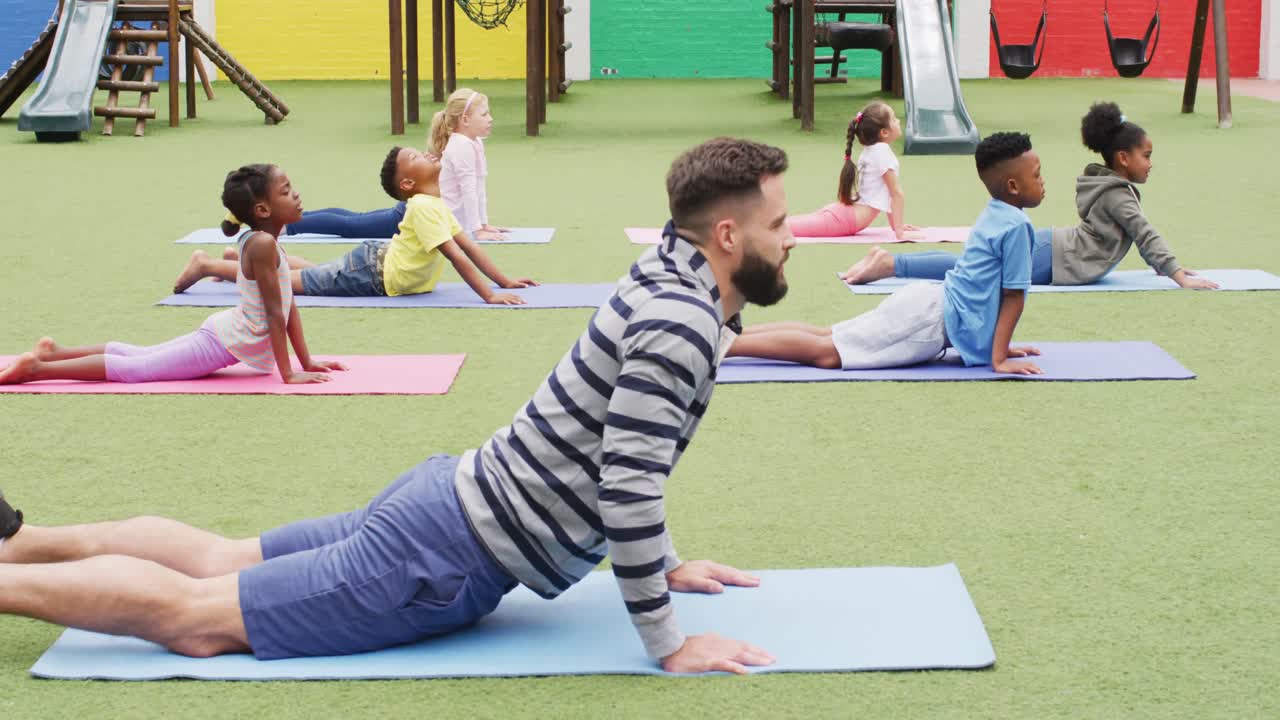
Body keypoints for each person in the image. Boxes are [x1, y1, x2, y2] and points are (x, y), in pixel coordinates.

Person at [0, 137, 798, 674]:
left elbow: (609, 458)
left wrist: (668, 562)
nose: (792, 238)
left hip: (445, 500)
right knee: (198, 617)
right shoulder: (680, 323)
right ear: (726, 236)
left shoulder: (669, 271)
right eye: (780, 224)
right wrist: (668, 643)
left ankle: (23, 543)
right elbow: (627, 484)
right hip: (442, 557)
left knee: (220, 557)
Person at [730, 131, 1046, 375]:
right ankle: (723, 345)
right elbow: (1012, 296)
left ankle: (728, 335)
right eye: (1037, 175)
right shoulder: (1017, 226)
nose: (1043, 182)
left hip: (927, 305)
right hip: (929, 322)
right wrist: (1000, 357)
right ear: (1013, 186)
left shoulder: (996, 214)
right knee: (828, 352)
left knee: (830, 334)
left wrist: (998, 347)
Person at [0, 165, 343, 386]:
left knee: (139, 355)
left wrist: (306, 361)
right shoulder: (264, 244)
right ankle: (38, 369)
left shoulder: (268, 241)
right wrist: (289, 373)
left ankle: (54, 351)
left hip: (223, 333)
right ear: (263, 210)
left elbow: (287, 305)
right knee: (137, 369)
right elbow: (274, 313)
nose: (295, 194)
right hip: (220, 343)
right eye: (285, 191)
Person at [842, 102, 1218, 290]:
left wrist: (1164, 267)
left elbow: (1135, 234)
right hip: (1053, 258)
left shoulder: (1106, 186)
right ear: (1122, 158)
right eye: (1146, 156)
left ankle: (888, 262)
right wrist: (1177, 274)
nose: (1150, 164)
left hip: (1052, 247)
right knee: (967, 272)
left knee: (968, 262)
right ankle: (891, 266)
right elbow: (1143, 232)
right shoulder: (1117, 195)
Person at [175, 147, 536, 306]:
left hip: (376, 266)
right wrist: (489, 295)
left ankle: (233, 262)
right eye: (414, 157)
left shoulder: (434, 204)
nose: (425, 154)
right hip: (375, 274)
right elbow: (456, 256)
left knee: (321, 273)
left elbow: (468, 245)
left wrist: (503, 281)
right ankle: (210, 265)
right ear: (407, 184)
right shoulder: (425, 208)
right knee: (296, 282)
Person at [786, 100, 921, 241]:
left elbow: (889, 194)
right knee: (780, 228)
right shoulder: (881, 151)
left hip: (843, 215)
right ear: (884, 132)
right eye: (894, 119)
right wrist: (899, 232)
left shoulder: (872, 150)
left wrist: (896, 227)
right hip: (844, 220)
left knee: (780, 226)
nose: (898, 121)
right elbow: (896, 193)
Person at [428, 88, 509, 242]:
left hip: (443, 221)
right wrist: (478, 231)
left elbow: (479, 186)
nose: (490, 118)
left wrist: (483, 224)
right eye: (484, 114)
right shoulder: (461, 146)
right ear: (465, 120)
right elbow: (469, 190)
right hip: (421, 219)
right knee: (366, 225)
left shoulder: (475, 142)